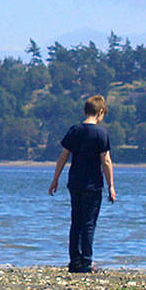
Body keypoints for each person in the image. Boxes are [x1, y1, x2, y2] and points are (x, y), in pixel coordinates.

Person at [48, 95, 116, 273]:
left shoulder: (74, 130)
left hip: (75, 182)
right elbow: (106, 161)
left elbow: (63, 157)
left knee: (76, 222)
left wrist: (55, 179)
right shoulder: (101, 134)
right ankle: (86, 261)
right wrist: (111, 186)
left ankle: (74, 261)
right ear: (100, 112)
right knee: (89, 223)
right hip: (92, 184)